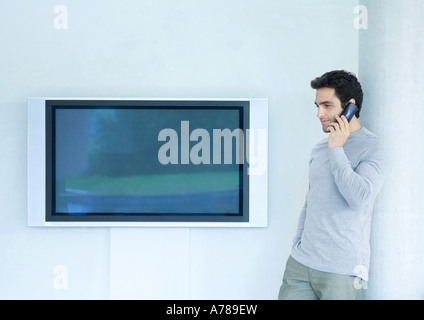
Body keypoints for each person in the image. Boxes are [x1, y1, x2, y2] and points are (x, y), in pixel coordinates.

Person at [278, 70, 386, 300]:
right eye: (317, 106)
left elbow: (359, 197)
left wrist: (337, 149)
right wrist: (297, 243)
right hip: (301, 263)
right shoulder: (319, 148)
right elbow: (312, 199)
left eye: (327, 105)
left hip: (342, 270)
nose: (319, 113)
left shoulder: (372, 147)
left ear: (350, 106)